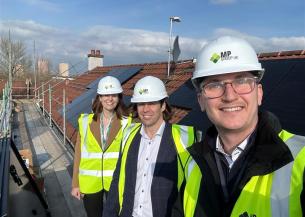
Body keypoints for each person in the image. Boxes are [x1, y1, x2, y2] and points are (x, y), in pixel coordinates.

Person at [180, 36, 305, 217]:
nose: (230, 96)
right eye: (214, 84)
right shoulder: (192, 163)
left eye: (242, 81)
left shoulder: (300, 161)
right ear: (201, 100)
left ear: (259, 94)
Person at [103, 76, 199, 217]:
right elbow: (117, 180)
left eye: (152, 103)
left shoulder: (185, 140)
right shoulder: (129, 135)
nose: (146, 109)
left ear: (163, 105)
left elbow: (191, 193)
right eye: (141, 103)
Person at [71, 76, 131, 217]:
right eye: (105, 95)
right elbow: (78, 154)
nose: (110, 99)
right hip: (90, 183)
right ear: (99, 97)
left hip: (116, 183)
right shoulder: (85, 122)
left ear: (119, 97)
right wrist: (75, 183)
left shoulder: (127, 123)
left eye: (114, 95)